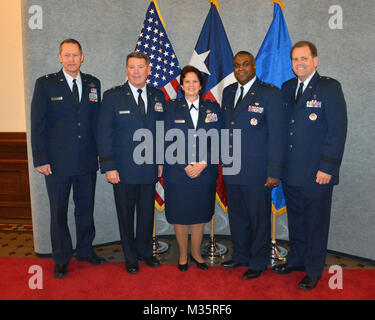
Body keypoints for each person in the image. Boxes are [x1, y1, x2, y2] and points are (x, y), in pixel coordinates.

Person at [272, 41, 347, 290]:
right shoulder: (287, 88)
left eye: (304, 58)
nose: (299, 63)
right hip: (291, 171)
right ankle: (296, 260)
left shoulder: (328, 87)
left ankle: (313, 269)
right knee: (297, 220)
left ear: (315, 60)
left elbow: (337, 131)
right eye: (295, 59)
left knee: (316, 222)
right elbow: (284, 129)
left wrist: (328, 167)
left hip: (317, 173)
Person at [30, 38, 106, 279]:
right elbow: (38, 124)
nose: (72, 59)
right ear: (60, 57)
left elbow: (96, 124)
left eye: (76, 55)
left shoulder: (94, 83)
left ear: (82, 57)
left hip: (86, 160)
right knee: (59, 211)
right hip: (57, 163)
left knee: (85, 209)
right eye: (67, 55)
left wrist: (100, 156)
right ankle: (61, 258)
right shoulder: (46, 85)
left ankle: (85, 250)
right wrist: (41, 158)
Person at [221, 51, 286, 279]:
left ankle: (258, 262)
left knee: (258, 218)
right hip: (232, 168)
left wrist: (274, 171)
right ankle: (241, 255)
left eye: (245, 64)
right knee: (237, 216)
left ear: (254, 66)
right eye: (237, 65)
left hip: (258, 172)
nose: (240, 68)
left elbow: (278, 135)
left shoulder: (269, 93)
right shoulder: (228, 92)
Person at [98, 51, 164, 274]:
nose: (136, 71)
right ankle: (130, 256)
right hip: (122, 169)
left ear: (148, 70)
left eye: (140, 67)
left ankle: (145, 252)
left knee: (146, 213)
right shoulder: (113, 97)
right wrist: (109, 166)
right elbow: (104, 133)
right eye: (131, 67)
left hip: (149, 167)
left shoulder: (158, 96)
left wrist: (161, 160)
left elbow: (161, 131)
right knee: (126, 215)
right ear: (126, 70)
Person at [163, 65, 222, 272]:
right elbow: (165, 139)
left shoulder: (213, 109)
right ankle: (181, 255)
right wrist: (185, 163)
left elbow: (220, 140)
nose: (191, 85)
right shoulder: (170, 107)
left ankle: (196, 254)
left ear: (200, 85)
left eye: (195, 81)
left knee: (199, 214)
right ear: (181, 85)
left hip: (204, 172)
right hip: (178, 172)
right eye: (187, 81)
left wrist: (203, 163)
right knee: (180, 214)